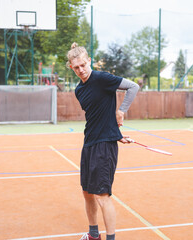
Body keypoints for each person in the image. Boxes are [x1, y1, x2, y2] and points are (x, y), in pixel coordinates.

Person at [67, 42, 139, 240]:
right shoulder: (79, 91)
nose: (81, 70)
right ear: (72, 68)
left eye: (83, 65)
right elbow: (98, 115)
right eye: (76, 67)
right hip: (89, 142)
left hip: (104, 146)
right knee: (87, 193)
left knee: (102, 196)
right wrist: (116, 133)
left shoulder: (101, 78)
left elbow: (133, 87)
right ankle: (93, 235)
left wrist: (121, 111)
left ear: (89, 61)